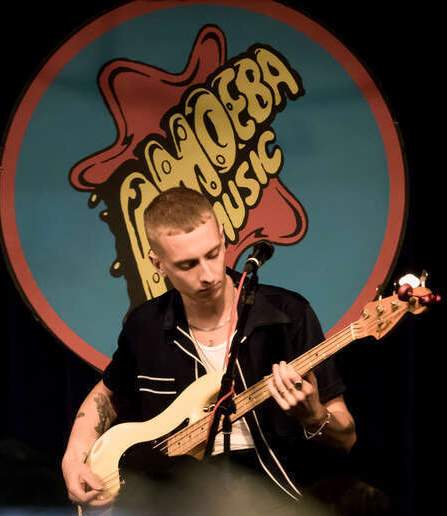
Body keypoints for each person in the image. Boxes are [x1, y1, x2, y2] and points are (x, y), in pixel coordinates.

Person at [61, 187, 356, 513]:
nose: (207, 275)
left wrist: (313, 415)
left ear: (222, 236)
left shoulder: (288, 315)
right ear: (157, 263)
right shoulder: (144, 325)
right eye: (187, 265)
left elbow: (346, 438)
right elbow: (107, 394)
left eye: (213, 254)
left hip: (274, 498)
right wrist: (74, 457)